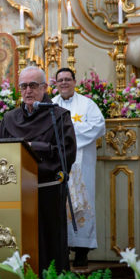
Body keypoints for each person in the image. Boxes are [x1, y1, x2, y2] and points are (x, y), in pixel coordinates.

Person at [0, 66, 77, 273]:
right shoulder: (10, 118)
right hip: (15, 193)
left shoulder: (59, 116)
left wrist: (34, 150)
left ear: (45, 88)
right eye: (23, 86)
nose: (28, 91)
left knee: (48, 244)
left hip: (46, 190)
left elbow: (67, 153)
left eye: (33, 85)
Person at [52, 67, 105, 268]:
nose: (64, 83)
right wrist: (66, 136)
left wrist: (67, 135)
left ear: (75, 82)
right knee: (59, 205)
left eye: (67, 79)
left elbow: (98, 126)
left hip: (82, 167)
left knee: (83, 205)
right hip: (58, 164)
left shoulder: (87, 104)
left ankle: (82, 252)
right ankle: (61, 250)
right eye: (60, 80)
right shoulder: (51, 105)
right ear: (55, 84)